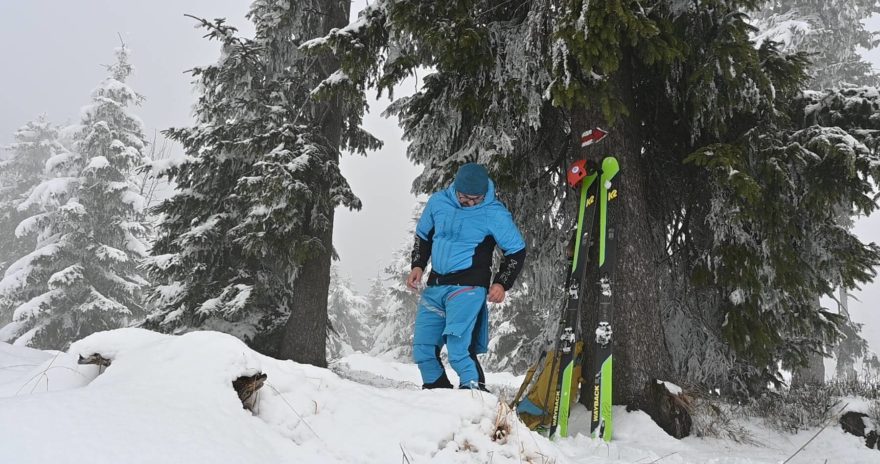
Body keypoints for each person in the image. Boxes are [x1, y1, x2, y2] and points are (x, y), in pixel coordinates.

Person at [406, 163, 527, 390]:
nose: (470, 203)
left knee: (458, 350)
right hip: (436, 285)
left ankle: (473, 398)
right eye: (465, 197)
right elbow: (423, 236)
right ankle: (437, 396)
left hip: (468, 287)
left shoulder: (494, 212)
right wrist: (418, 265)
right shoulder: (438, 203)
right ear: (455, 188)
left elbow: (516, 251)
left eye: (476, 198)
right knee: (423, 349)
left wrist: (502, 283)